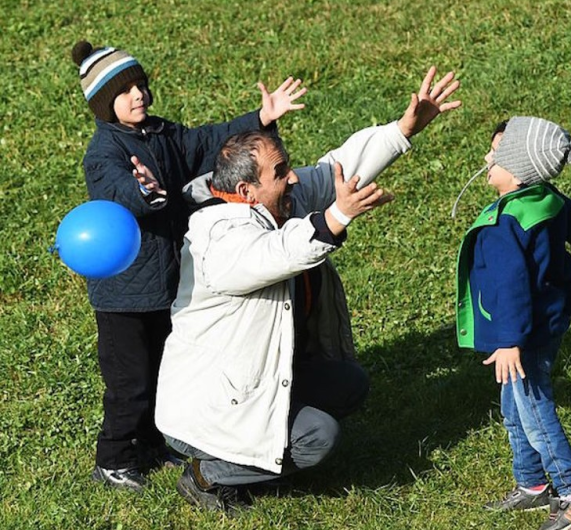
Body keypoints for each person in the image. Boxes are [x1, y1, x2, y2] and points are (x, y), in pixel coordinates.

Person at [154, 67, 461, 513]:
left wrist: (403, 129)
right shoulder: (216, 237)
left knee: (348, 386)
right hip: (208, 407)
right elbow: (275, 254)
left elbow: (335, 168)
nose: (293, 178)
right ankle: (206, 474)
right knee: (319, 437)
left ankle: (254, 455)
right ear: (247, 190)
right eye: (281, 172)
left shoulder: (279, 197)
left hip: (251, 380)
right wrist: (336, 217)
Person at [71, 40, 307, 491]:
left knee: (164, 367)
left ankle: (153, 440)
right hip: (123, 294)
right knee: (130, 380)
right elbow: (117, 193)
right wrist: (143, 192)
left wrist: (259, 120)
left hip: (166, 284)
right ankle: (115, 456)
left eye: (140, 84)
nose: (138, 94)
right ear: (104, 105)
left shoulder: (161, 133)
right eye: (125, 91)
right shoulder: (104, 153)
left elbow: (204, 142)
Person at [454, 117, 571, 530]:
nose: (486, 158)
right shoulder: (549, 200)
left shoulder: (506, 224)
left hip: (522, 335)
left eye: (495, 152)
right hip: (548, 321)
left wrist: (510, 342)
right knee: (514, 404)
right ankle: (532, 484)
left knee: (534, 409)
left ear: (517, 167)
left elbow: (511, 287)